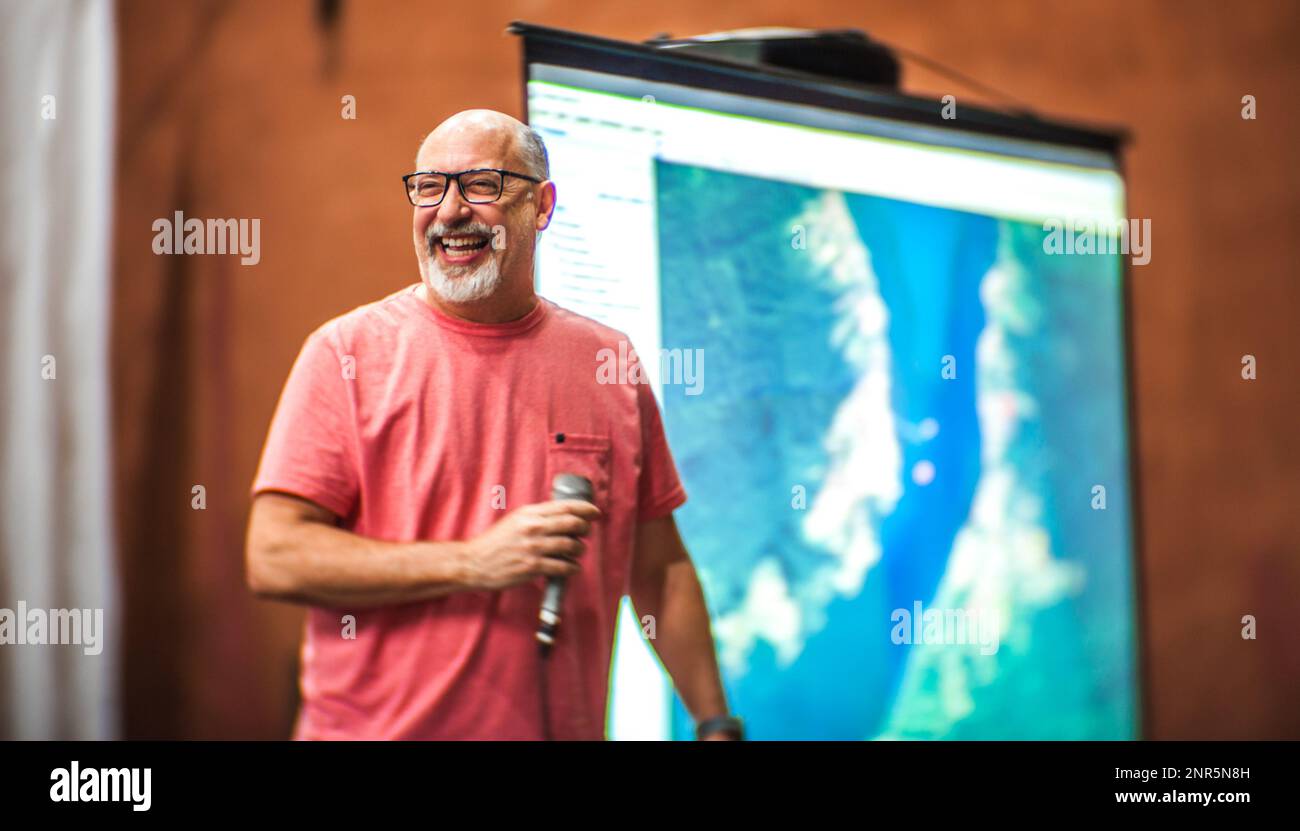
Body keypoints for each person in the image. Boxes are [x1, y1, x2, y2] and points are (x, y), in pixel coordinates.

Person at [245, 109, 740, 741]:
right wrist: (473, 563)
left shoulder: (607, 361)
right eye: (429, 187)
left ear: (542, 205)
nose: (450, 211)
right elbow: (274, 556)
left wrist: (715, 721)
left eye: (481, 184)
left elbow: (660, 569)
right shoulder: (345, 353)